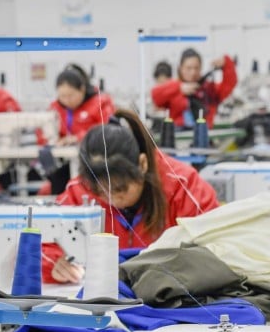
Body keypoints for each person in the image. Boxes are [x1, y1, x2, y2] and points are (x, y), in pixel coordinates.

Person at [41, 109, 219, 283]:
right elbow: (41, 246)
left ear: (142, 164)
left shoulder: (183, 186)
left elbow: (216, 245)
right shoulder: (80, 190)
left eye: (120, 190)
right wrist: (55, 265)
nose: (111, 199)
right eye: (101, 193)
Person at [151, 48, 238, 129]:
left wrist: (227, 63)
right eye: (188, 68)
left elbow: (229, 84)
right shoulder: (173, 89)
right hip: (179, 139)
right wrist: (179, 88)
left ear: (201, 68)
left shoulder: (209, 89)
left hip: (204, 138)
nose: (193, 72)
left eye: (196, 68)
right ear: (180, 68)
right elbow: (155, 95)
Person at [50, 64, 115, 143]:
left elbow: (108, 130)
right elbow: (43, 135)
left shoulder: (101, 104)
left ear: (82, 89)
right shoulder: (55, 108)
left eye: (70, 95)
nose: (67, 100)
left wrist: (78, 138)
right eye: (62, 96)